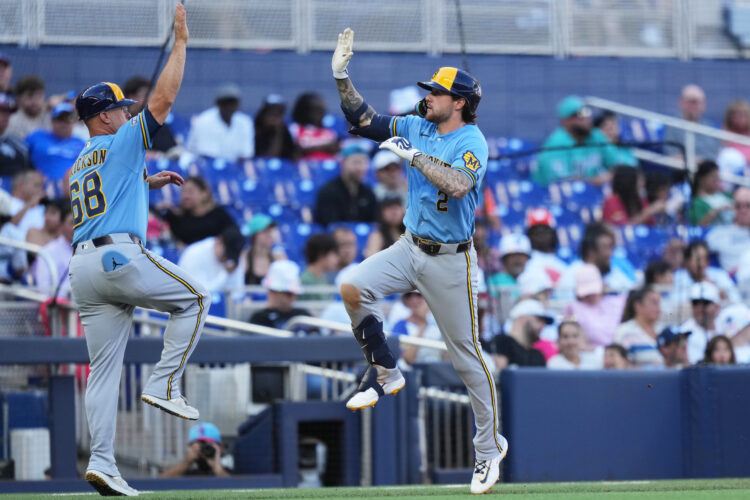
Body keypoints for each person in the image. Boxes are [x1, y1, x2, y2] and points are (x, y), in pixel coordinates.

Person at [331, 29, 506, 494]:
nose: (427, 96)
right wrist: (342, 77)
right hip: (410, 246)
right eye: (428, 90)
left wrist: (414, 158)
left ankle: (488, 449)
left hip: (451, 260)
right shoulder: (418, 124)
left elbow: (458, 185)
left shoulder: (472, 140)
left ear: (460, 102)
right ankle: (386, 371)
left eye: (437, 92)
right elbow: (365, 120)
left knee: (467, 357)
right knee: (352, 286)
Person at [67, 7, 211, 496]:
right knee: (196, 299)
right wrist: (181, 43)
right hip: (118, 258)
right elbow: (163, 101)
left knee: (103, 373)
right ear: (103, 116)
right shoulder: (124, 139)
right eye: (122, 109)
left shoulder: (81, 160)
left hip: (83, 267)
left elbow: (104, 193)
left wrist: (145, 182)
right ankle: (164, 383)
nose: (128, 113)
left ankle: (102, 463)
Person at [533, 95, 620, 186]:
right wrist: (598, 180)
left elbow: (617, 167)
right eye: (580, 114)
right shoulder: (555, 145)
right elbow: (564, 184)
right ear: (565, 121)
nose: (586, 118)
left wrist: (604, 178)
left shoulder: (596, 135)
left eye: (587, 112)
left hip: (591, 192)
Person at [556, 222, 637, 299]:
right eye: (606, 247)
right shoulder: (572, 274)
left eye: (611, 247)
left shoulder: (615, 272)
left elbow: (632, 294)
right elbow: (563, 303)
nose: (610, 254)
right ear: (591, 251)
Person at [162, 176, 237, 248]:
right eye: (183, 192)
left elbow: (235, 239)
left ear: (204, 193)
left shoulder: (219, 216)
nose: (185, 196)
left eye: (190, 191)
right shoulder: (177, 219)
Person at [313, 142, 378, 225]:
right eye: (355, 162)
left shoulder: (368, 193)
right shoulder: (328, 191)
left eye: (363, 163)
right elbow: (330, 225)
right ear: (343, 163)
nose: (360, 168)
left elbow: (374, 224)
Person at [564, 263, 626, 348]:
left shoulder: (618, 301)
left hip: (619, 350)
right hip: (589, 352)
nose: (591, 296)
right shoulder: (572, 308)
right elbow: (566, 330)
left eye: (594, 291)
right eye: (587, 293)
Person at [187, 82, 254, 161]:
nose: (229, 106)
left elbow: (245, 155)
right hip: (200, 163)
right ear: (218, 103)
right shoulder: (204, 120)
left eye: (233, 102)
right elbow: (207, 156)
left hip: (233, 166)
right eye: (226, 102)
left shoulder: (245, 122)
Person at [123, 75, 186, 156]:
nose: (150, 99)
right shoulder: (120, 124)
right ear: (131, 97)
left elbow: (172, 151)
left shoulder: (156, 124)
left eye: (151, 94)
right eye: (145, 94)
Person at [177, 226, 246, 295]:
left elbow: (238, 293)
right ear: (218, 241)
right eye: (226, 254)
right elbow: (201, 294)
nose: (227, 258)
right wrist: (225, 274)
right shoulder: (194, 254)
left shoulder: (232, 261)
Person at [25, 102, 86, 181]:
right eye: (60, 119)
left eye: (69, 118)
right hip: (42, 185)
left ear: (74, 121)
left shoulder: (81, 143)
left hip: (73, 185)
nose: (64, 123)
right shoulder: (37, 137)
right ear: (52, 120)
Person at [663, 84, 720, 162]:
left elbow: (715, 155)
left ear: (703, 105)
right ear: (681, 102)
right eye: (690, 102)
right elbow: (672, 155)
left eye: (696, 102)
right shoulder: (673, 127)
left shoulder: (710, 129)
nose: (693, 106)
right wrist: (699, 162)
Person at [673, 240, 740, 305]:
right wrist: (700, 287)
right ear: (687, 261)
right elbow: (674, 303)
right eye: (698, 259)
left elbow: (737, 301)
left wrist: (720, 293)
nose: (702, 264)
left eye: (705, 258)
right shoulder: (678, 276)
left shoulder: (719, 275)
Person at [248, 259, 310, 330]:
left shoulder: (303, 317)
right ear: (272, 291)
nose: (294, 297)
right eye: (289, 294)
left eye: (295, 293)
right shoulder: (259, 320)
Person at [489, 299, 551, 369]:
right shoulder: (501, 342)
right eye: (539, 319)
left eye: (544, 322)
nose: (543, 325)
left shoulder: (538, 356)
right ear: (522, 318)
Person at [30, 202, 74, 297]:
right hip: (59, 304)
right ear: (61, 226)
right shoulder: (48, 252)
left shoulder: (89, 248)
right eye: (72, 223)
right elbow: (44, 291)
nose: (77, 227)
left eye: (80, 223)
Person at [391, 291, 445, 367]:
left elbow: (447, 358)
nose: (414, 300)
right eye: (409, 296)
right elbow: (407, 360)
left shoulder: (439, 325)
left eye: (419, 295)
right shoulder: (400, 326)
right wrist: (422, 325)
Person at [614, 286, 663, 368]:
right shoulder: (624, 332)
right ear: (638, 305)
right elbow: (619, 364)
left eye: (659, 303)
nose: (658, 308)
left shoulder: (663, 330)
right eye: (654, 303)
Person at [601, 165, 666, 226]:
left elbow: (652, 224)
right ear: (629, 182)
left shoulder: (641, 201)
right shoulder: (612, 201)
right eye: (639, 180)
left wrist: (660, 214)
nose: (642, 184)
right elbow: (622, 227)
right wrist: (648, 212)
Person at [706, 187, 750, 274]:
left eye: (748, 205)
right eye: (738, 206)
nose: (743, 210)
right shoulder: (719, 233)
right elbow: (696, 251)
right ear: (733, 208)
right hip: (732, 279)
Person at [160, 422, 230, 477]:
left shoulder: (230, 473)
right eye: (200, 445)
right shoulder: (185, 474)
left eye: (209, 445)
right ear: (191, 447)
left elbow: (233, 487)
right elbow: (159, 484)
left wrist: (217, 468)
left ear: (220, 447)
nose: (205, 449)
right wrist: (187, 462)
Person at [679, 281, 722, 365]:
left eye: (705, 303)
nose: (700, 308)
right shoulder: (684, 332)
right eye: (695, 303)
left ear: (717, 306)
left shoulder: (724, 325)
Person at [289, 92, 340, 161]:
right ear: (305, 110)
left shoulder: (329, 132)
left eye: (322, 110)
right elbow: (295, 150)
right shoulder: (295, 129)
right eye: (315, 110)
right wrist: (325, 147)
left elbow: (336, 149)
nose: (321, 113)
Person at [689, 160, 733, 226]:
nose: (717, 180)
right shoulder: (696, 203)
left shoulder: (726, 195)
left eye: (718, 177)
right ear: (701, 179)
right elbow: (698, 226)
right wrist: (717, 211)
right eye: (713, 177)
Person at [6, 75, 50, 139]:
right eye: (30, 96)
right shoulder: (12, 122)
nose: (35, 101)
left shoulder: (51, 116)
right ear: (19, 99)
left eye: (39, 95)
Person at [254, 94, 295, 159]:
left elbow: (291, 155)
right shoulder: (254, 129)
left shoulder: (286, 131)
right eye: (271, 112)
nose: (274, 117)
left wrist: (278, 132)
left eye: (278, 113)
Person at [0, 92, 32, 177]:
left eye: (8, 112)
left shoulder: (17, 143)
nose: (6, 116)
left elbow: (30, 170)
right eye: (2, 111)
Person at [299, 233, 339, 301]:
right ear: (322, 255)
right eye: (334, 254)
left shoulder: (325, 280)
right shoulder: (304, 281)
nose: (337, 259)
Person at [244, 213, 280, 285]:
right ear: (254, 235)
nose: (270, 235)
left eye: (270, 231)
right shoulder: (244, 258)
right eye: (265, 231)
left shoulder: (278, 258)